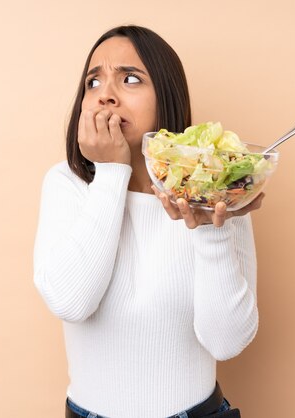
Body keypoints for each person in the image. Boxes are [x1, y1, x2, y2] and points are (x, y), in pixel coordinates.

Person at [33, 25, 264, 418]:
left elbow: (226, 342)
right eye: (93, 81)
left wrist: (212, 229)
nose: (105, 93)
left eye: (130, 78)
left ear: (166, 98)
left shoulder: (213, 189)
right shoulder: (67, 184)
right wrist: (110, 173)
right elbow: (71, 301)